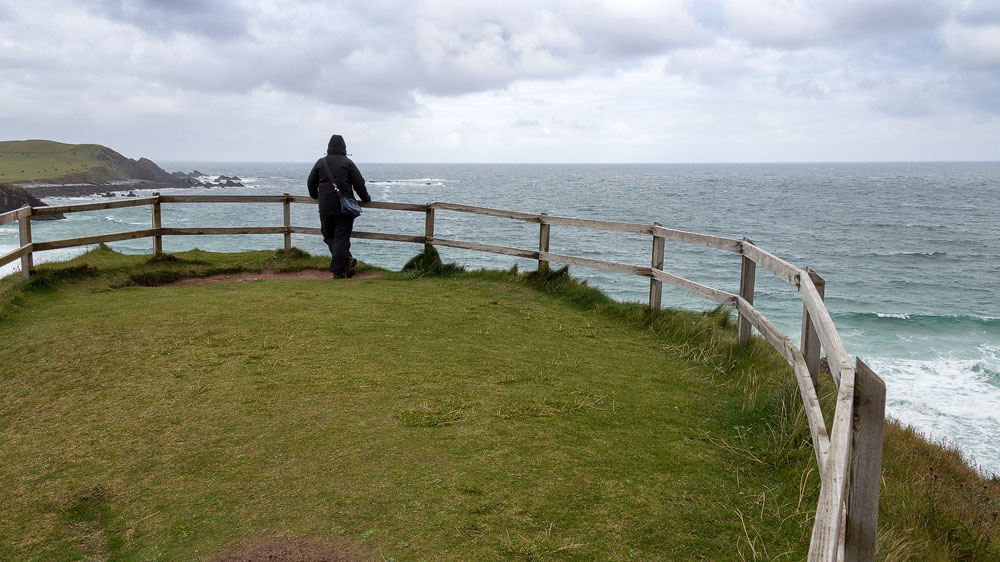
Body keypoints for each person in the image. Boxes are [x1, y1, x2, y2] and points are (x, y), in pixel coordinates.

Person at [307, 134, 372, 278]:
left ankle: (340, 268)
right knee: (341, 238)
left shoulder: (321, 162)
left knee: (328, 235)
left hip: (325, 207)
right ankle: (342, 267)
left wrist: (316, 196)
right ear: (344, 148)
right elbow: (359, 183)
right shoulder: (347, 163)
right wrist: (365, 198)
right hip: (345, 208)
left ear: (328, 147)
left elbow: (311, 182)